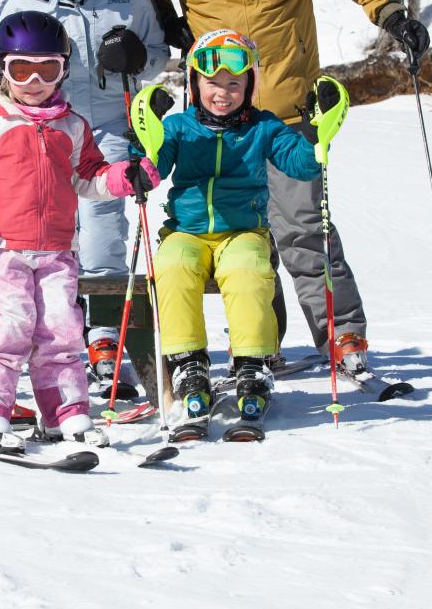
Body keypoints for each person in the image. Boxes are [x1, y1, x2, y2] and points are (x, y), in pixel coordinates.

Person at [130, 0, 428, 377]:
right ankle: (259, 347)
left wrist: (391, 14)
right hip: (216, 120)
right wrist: (168, 26)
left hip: (289, 110)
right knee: (243, 240)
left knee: (304, 233)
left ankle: (342, 339)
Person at [0, 11, 161, 451]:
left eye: (49, 69)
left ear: (63, 69)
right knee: (9, 329)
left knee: (62, 332)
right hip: (2, 248)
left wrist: (124, 178)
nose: (35, 80)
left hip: (59, 249)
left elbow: (90, 176)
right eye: (22, 69)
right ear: (2, 69)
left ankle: (67, 412)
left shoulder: (72, 124)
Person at [0, 0, 168, 396]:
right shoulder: (26, 0)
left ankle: (105, 336)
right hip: (47, 133)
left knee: (102, 232)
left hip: (110, 130)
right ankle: (52, 337)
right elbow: (3, 71)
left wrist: (136, 56)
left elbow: (158, 56)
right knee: (51, 235)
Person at [145, 31, 344, 439]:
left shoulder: (264, 127)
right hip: (188, 231)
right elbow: (155, 167)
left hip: (244, 231)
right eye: (212, 83)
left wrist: (317, 134)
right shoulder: (181, 127)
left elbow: (301, 164)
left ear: (249, 85)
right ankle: (188, 363)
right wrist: (148, 137)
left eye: (234, 84)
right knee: (172, 263)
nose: (223, 93)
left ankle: (253, 365)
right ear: (194, 84)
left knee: (249, 268)